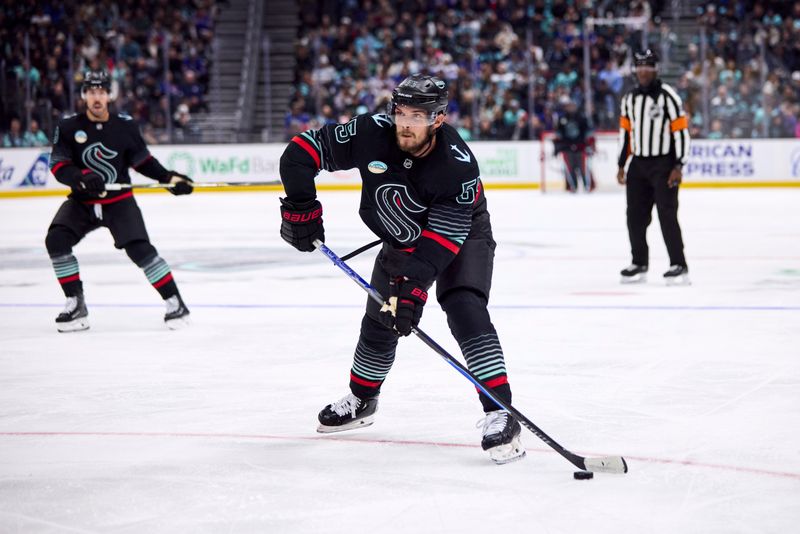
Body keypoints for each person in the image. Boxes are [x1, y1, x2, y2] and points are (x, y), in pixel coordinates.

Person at [278, 74, 525, 465]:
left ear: (439, 119)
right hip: (403, 235)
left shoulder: (455, 164)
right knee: (380, 319)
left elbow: (443, 238)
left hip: (463, 235)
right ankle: (362, 399)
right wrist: (301, 206)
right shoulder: (369, 132)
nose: (405, 123)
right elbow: (300, 153)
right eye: (401, 112)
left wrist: (414, 288)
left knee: (464, 307)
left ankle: (499, 409)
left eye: (418, 115)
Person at [45, 70, 194, 332]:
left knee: (140, 250)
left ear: (109, 95)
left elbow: (143, 161)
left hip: (119, 201)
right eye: (91, 92)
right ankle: (75, 304)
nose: (97, 97)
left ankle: (175, 303)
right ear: (84, 96)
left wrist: (169, 178)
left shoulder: (125, 126)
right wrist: (80, 177)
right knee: (56, 239)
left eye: (101, 92)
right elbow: (58, 166)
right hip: (82, 201)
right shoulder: (68, 128)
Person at [617, 50, 691, 285]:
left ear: (656, 69)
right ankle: (639, 262)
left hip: (664, 163)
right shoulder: (630, 99)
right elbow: (626, 134)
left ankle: (678, 264)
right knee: (634, 216)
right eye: (639, 67)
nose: (643, 71)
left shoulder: (668, 97)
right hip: (638, 165)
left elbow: (681, 133)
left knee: (667, 215)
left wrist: (678, 164)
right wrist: (622, 164)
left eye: (647, 66)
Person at [553, 95, 595, 192]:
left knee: (584, 168)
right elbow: (558, 135)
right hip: (567, 148)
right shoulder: (561, 119)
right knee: (569, 169)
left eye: (572, 105)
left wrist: (589, 146)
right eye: (568, 106)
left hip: (581, 147)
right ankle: (572, 187)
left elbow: (588, 133)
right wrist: (557, 148)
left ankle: (587, 186)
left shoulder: (582, 118)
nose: (570, 107)